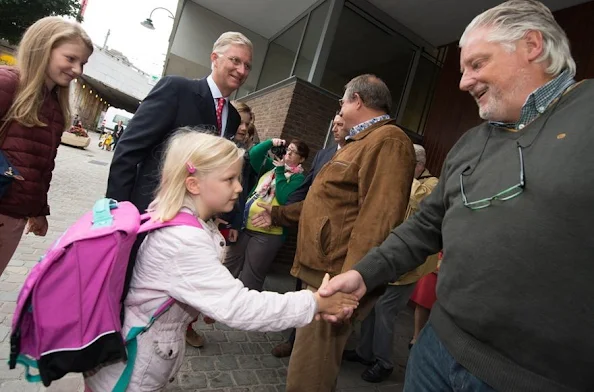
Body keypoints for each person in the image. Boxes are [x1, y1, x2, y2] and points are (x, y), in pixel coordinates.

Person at [318, 1, 594, 391]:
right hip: (435, 352)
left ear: (532, 46)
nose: (464, 82)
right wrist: (365, 274)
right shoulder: (470, 142)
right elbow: (426, 227)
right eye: (463, 69)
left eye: (477, 65)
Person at [83, 130, 358, 391]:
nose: (240, 187)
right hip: (132, 373)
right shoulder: (183, 240)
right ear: (194, 184)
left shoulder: (177, 215)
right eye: (229, 179)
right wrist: (314, 303)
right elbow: (238, 306)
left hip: (132, 359)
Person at [252, 74, 416, 391]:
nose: (340, 107)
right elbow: (324, 205)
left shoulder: (388, 141)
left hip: (335, 279)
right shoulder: (359, 143)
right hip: (324, 273)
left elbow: (378, 222)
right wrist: (276, 214)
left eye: (342, 100)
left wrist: (349, 288)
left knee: (310, 372)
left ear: (356, 100)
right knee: (309, 364)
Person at [105, 31, 253, 349]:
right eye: (235, 60)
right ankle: (110, 352)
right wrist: (118, 210)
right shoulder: (177, 89)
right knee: (125, 290)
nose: (241, 70)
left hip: (185, 225)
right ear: (214, 58)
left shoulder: (234, 116)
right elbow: (129, 149)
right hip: (147, 214)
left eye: (247, 66)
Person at [0, 17, 93, 275]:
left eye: (82, 63)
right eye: (70, 59)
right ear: (43, 48)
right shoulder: (8, 83)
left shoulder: (55, 106)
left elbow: (43, 165)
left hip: (13, 216)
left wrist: (39, 210)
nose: (77, 70)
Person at [343, 144, 439, 383]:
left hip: (409, 266)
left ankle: (384, 362)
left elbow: (417, 204)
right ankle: (365, 352)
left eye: (405, 166)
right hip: (389, 259)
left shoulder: (432, 184)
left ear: (418, 166)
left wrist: (404, 175)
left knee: (385, 311)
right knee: (372, 306)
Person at [270, 113, 349, 358]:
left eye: (340, 123)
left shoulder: (359, 154)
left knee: (328, 295)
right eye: (333, 123)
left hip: (337, 243)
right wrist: (286, 211)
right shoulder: (324, 154)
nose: (335, 127)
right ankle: (294, 340)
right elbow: (305, 191)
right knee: (301, 289)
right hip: (310, 238)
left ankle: (318, 349)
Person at [224, 138, 309, 291]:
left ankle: (244, 311)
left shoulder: (299, 179)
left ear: (301, 159)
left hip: (268, 234)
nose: (288, 153)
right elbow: (253, 155)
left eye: (293, 152)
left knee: (250, 277)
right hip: (244, 226)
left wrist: (281, 171)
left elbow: (284, 198)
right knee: (228, 267)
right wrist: (271, 142)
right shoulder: (271, 167)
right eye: (288, 149)